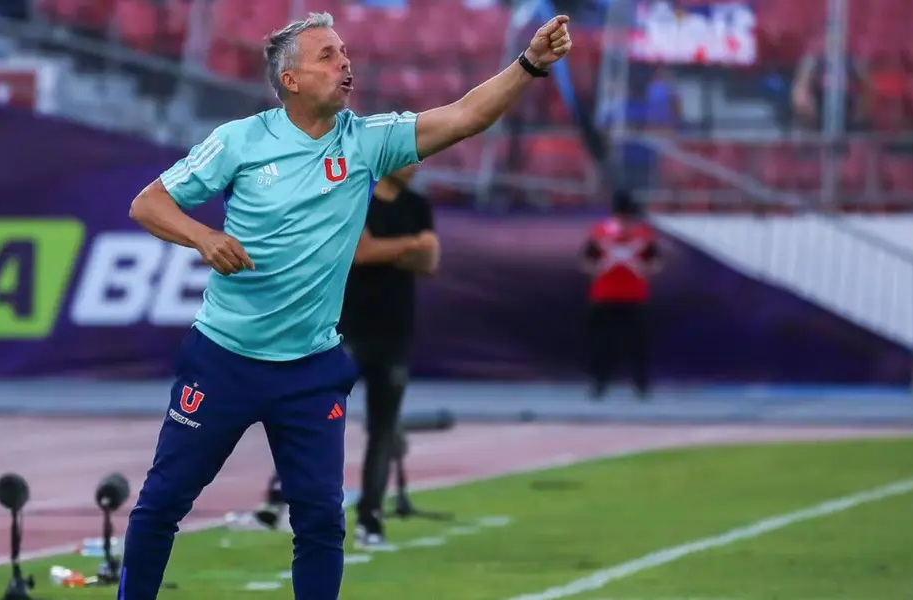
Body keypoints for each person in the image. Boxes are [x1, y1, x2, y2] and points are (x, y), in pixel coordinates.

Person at [119, 11, 573, 600]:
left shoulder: (365, 141)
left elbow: (465, 116)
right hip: (224, 360)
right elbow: (147, 204)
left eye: (344, 51)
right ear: (292, 80)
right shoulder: (239, 141)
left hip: (310, 370)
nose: (345, 63)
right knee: (160, 505)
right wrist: (203, 237)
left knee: (321, 522)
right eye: (328, 55)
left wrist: (530, 64)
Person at [341, 163, 438, 547]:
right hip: (348, 328)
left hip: (395, 331)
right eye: (410, 157)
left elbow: (431, 261)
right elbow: (360, 252)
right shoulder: (356, 197)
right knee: (318, 420)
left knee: (383, 430)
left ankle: (371, 517)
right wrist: (411, 246)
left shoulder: (418, 205)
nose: (417, 164)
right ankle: (298, 501)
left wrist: (395, 250)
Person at [581, 192, 660, 400]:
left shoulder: (643, 234)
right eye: (623, 216)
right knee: (603, 343)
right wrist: (598, 268)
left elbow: (655, 261)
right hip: (605, 297)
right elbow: (586, 260)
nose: (626, 221)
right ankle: (599, 383)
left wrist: (644, 269)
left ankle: (641, 385)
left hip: (634, 297)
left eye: (629, 216)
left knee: (637, 344)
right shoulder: (600, 233)